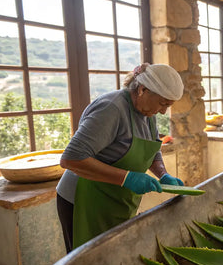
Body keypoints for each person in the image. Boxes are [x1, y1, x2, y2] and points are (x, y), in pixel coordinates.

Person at [56, 63, 184, 253]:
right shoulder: (111, 109)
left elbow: (152, 147)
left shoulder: (148, 111)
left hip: (115, 200)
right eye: (163, 104)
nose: (163, 111)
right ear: (142, 89)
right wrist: (127, 178)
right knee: (88, 263)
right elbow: (71, 159)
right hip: (84, 201)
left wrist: (163, 175)